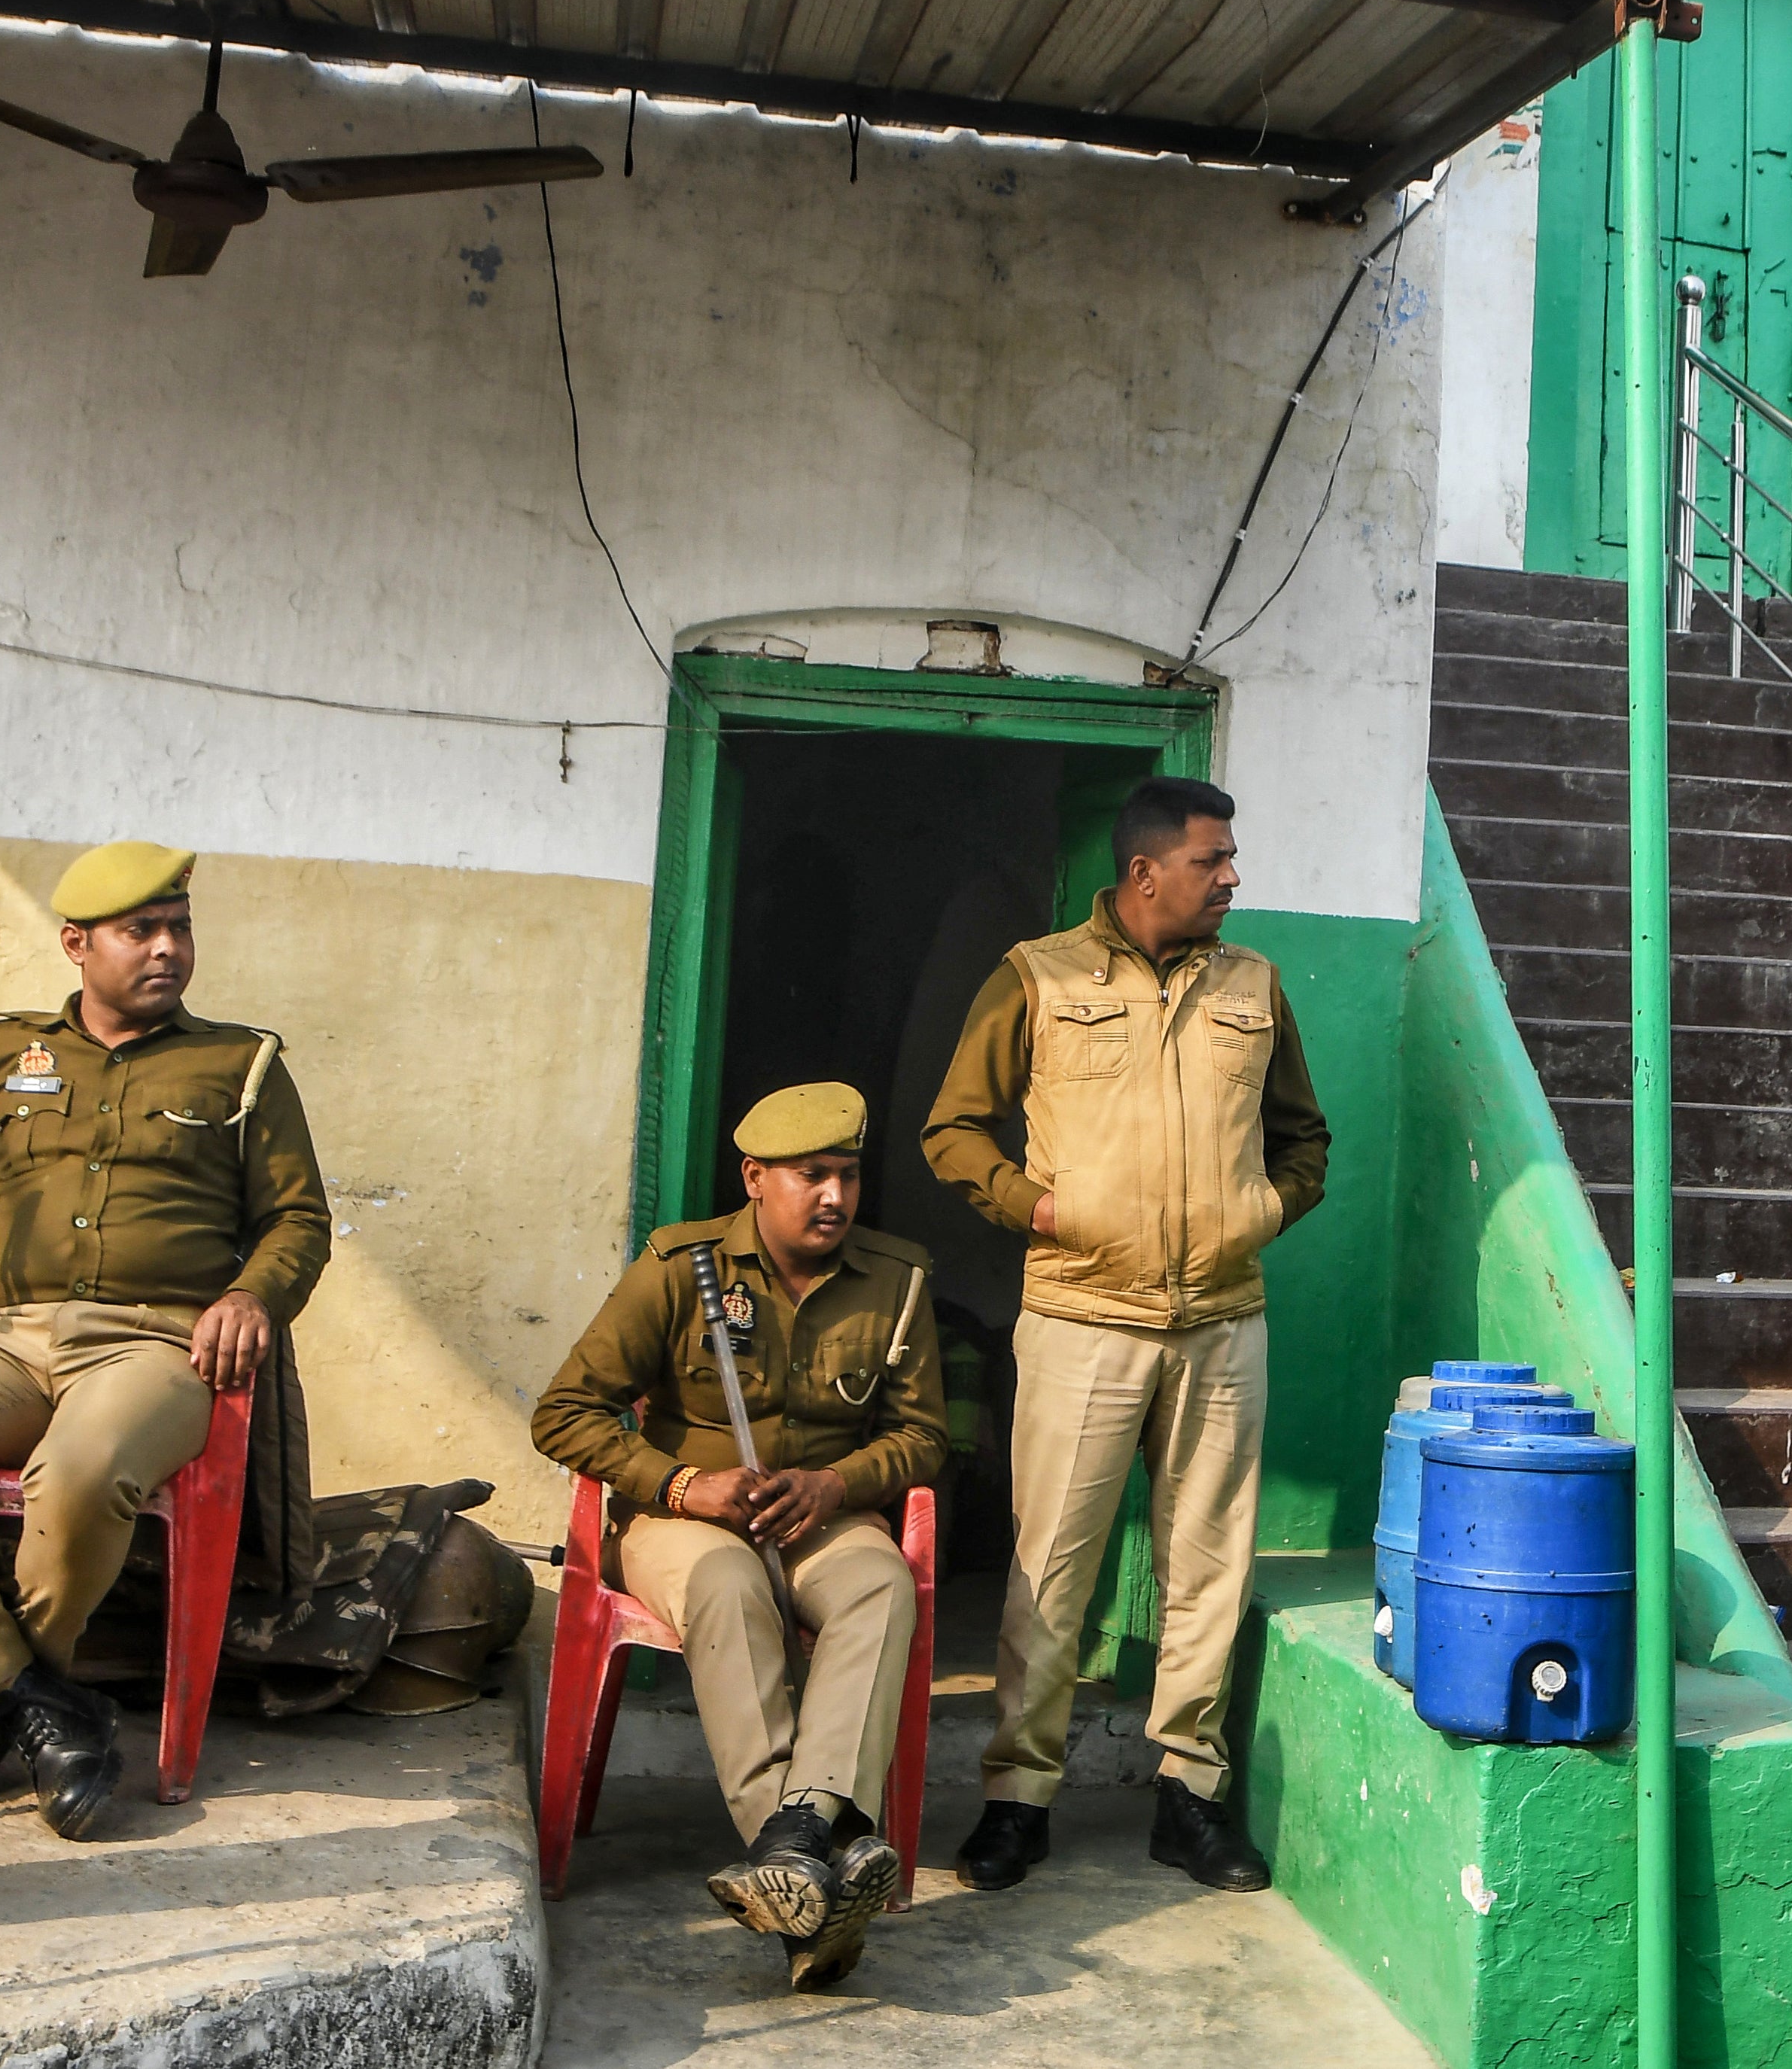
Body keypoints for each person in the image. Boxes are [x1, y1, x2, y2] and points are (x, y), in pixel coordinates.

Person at [0, 841, 327, 1841]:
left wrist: (253, 1296)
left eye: (179, 927)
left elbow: (297, 1220)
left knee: (84, 1470)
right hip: (8, 1336)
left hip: (159, 1344)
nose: (168, 948)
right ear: (76, 944)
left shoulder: (240, 1064)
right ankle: (34, 1704)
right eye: (141, 931)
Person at [925, 775, 1324, 1897]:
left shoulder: (1255, 985)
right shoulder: (1038, 975)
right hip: (1079, 1314)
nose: (1232, 877)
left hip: (1221, 1318)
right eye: (1214, 859)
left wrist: (1264, 1211)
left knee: (1209, 1563)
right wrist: (1034, 1207)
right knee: (1051, 1564)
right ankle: (1016, 1798)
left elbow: (1304, 1136)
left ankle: (1187, 1799)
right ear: (1146, 870)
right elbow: (951, 1128)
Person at [531, 1082, 944, 1990]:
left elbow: (923, 1437)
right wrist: (681, 1481)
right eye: (811, 1176)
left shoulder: (898, 1279)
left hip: (824, 1517)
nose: (834, 1196)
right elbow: (563, 1412)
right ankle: (818, 1850)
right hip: (688, 1520)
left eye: (847, 1175)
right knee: (725, 1582)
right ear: (755, 1178)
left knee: (880, 1586)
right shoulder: (681, 1267)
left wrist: (839, 1480)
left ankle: (791, 1848)